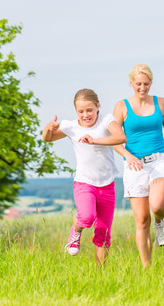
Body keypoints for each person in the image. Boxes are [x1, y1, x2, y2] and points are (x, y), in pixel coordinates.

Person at [42, 89, 126, 266]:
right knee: (87, 216)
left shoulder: (106, 120)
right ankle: (76, 232)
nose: (85, 115)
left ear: (97, 106)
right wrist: (47, 129)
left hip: (107, 185)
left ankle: (100, 275)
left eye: (89, 110)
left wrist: (94, 140)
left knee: (103, 234)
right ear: (76, 111)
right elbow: (48, 139)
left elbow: (120, 137)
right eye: (81, 111)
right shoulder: (71, 126)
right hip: (84, 183)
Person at [113, 64, 164, 268]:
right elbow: (114, 139)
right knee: (142, 220)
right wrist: (128, 156)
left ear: (151, 83)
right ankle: (147, 268)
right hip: (134, 165)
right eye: (138, 84)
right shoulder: (122, 106)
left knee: (157, 206)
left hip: (160, 159)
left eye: (146, 83)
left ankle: (160, 222)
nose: (142, 88)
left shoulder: (161, 103)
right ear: (131, 83)